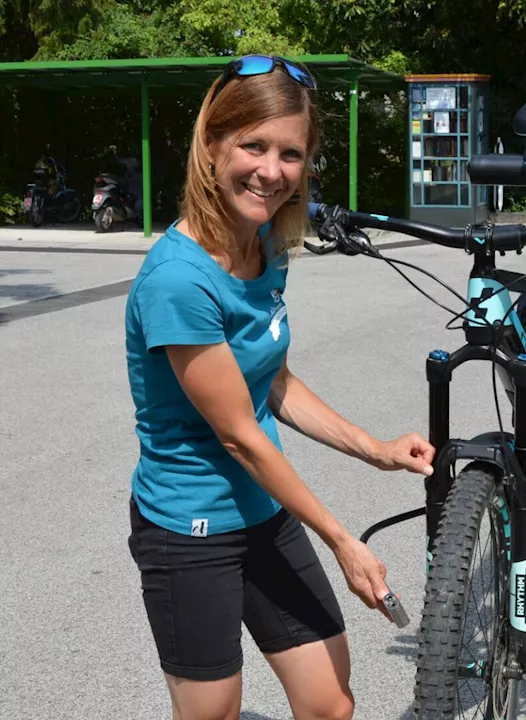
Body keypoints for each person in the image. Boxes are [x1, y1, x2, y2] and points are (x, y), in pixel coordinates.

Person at [122, 55, 435, 720]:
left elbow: (274, 383)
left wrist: (374, 448)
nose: (271, 170)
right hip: (189, 526)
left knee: (330, 703)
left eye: (290, 153)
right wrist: (343, 540)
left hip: (262, 511)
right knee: (212, 715)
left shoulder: (265, 243)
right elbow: (239, 435)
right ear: (212, 145)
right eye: (254, 146)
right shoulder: (179, 280)